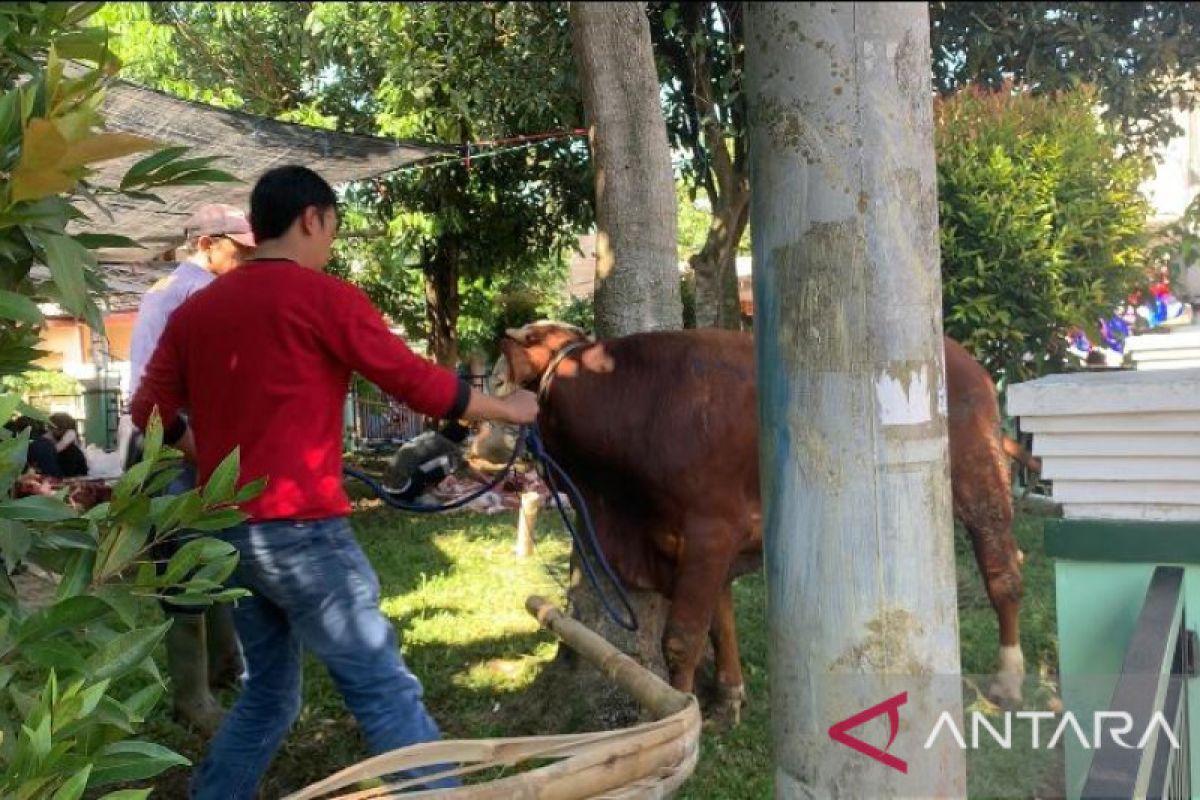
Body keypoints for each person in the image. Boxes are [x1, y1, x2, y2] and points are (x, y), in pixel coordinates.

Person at [131, 165, 540, 799]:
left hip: (231, 535)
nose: (329, 245)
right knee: (383, 691)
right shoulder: (324, 297)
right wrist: (510, 410)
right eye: (331, 230)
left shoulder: (196, 312)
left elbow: (146, 411)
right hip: (303, 535)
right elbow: (412, 381)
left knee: (269, 694)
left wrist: (212, 455)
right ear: (311, 219)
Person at [128, 203, 256, 736]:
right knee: (188, 568)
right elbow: (154, 396)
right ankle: (193, 699)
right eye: (239, 248)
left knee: (214, 555)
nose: (247, 258)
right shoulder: (194, 294)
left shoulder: (170, 290)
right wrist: (205, 452)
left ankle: (221, 670)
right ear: (206, 244)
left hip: (179, 440)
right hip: (177, 439)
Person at [46, 413, 88, 477]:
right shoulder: (56, 435)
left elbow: (56, 450)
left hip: (73, 470)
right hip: (67, 467)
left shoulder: (70, 434)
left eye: (51, 428)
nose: (49, 431)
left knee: (70, 450)